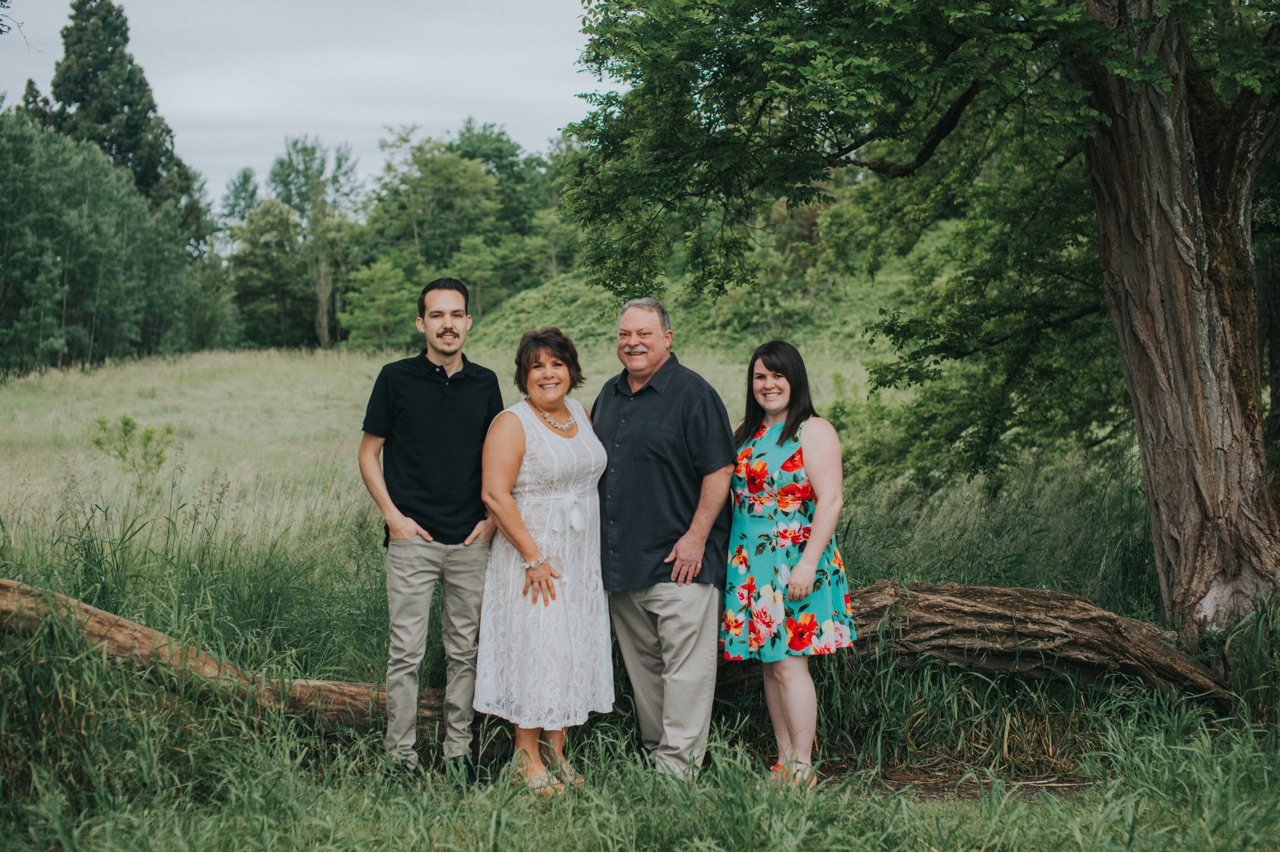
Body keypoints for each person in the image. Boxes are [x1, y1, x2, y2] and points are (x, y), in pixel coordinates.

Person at [358, 278, 503, 782]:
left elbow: (499, 459)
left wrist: (491, 522)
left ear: (468, 322)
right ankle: (400, 757)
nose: (447, 324)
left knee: (465, 653)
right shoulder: (395, 378)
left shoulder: (485, 383)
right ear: (422, 323)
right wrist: (393, 518)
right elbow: (368, 454)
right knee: (406, 653)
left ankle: (458, 753)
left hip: (470, 542)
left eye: (456, 314)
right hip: (411, 542)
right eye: (437, 315)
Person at [591, 297, 736, 776]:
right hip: (623, 564)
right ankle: (659, 756)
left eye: (644, 334)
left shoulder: (694, 393)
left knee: (687, 673)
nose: (632, 343)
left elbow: (720, 470)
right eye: (624, 335)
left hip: (682, 562)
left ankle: (679, 771)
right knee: (646, 674)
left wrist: (696, 538)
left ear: (667, 338)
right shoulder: (609, 394)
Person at [476, 328, 614, 794]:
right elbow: (495, 494)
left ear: (571, 370)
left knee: (569, 649)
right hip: (533, 558)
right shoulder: (511, 423)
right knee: (537, 649)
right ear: (524, 375)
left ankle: (556, 750)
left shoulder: (579, 412)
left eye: (557, 364)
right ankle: (525, 755)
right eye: (537, 366)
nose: (548, 373)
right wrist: (533, 556)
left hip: (579, 558)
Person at [721, 340, 855, 786]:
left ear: (794, 379)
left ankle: (802, 766)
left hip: (793, 561)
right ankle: (784, 760)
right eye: (760, 376)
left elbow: (831, 501)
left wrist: (807, 565)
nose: (768, 384)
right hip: (750, 565)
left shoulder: (813, 430)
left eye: (777, 375)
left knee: (790, 664)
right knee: (771, 663)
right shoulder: (747, 431)